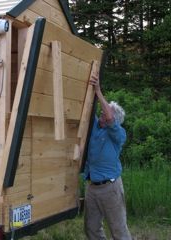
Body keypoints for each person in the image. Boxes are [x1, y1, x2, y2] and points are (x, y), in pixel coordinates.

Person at [83, 73, 132, 240]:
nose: (102, 116)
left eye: (105, 114)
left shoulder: (118, 134)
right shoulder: (96, 125)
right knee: (92, 229)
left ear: (115, 121)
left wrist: (98, 90)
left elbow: (110, 117)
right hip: (92, 187)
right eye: (102, 114)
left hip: (110, 189)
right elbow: (86, 110)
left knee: (118, 231)